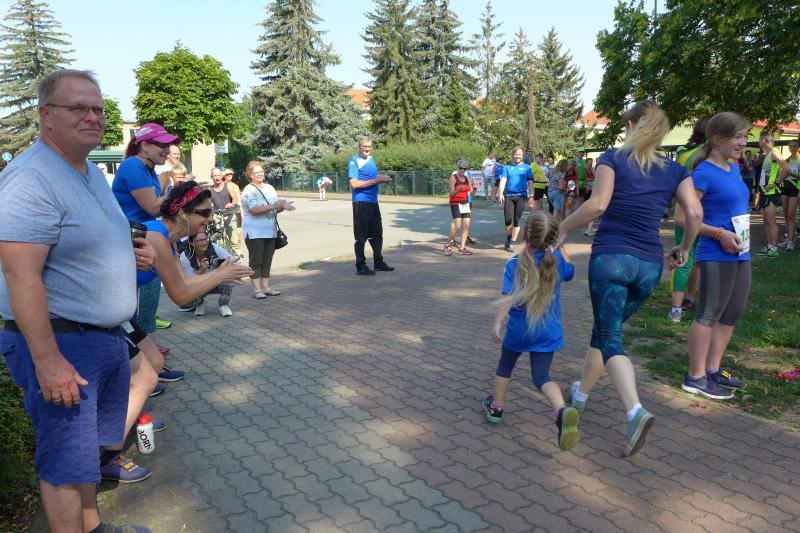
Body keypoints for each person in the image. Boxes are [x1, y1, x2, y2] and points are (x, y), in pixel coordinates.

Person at [0, 69, 153, 533]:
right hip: (63, 342)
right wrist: (48, 361)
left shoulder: (86, 170)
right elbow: (20, 275)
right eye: (78, 108)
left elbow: (80, 243)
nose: (93, 117)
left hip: (100, 337)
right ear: (46, 115)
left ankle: (92, 527)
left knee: (85, 456)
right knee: (66, 462)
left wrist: (129, 254)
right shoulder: (32, 178)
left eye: (98, 108)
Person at [558, 100, 702, 457]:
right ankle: (580, 395)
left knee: (610, 337)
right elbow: (695, 212)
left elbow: (598, 204)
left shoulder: (613, 158)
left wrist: (562, 228)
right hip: (649, 266)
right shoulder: (675, 169)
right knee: (605, 332)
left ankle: (634, 411)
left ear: (632, 125)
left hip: (612, 259)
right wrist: (684, 247)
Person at [483, 211, 579, 451]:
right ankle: (561, 411)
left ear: (526, 234)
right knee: (542, 376)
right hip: (548, 331)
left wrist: (497, 323)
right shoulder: (556, 260)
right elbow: (571, 271)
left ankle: (496, 407)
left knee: (505, 366)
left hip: (519, 331)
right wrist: (561, 246)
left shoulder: (514, 263)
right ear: (553, 238)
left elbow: (506, 299)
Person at [679, 112, 752, 400]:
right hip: (716, 253)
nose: (743, 142)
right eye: (738, 137)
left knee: (733, 311)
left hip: (740, 251)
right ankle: (695, 377)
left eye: (745, 136)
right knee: (709, 313)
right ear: (717, 139)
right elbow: (683, 217)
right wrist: (719, 234)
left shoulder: (733, 168)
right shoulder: (702, 174)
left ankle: (712, 369)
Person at [113, 123, 182, 364]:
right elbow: (152, 207)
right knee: (135, 311)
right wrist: (179, 194)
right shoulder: (133, 165)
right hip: (131, 245)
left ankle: (151, 361)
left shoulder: (148, 168)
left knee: (148, 306)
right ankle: (144, 366)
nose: (167, 149)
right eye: (161, 144)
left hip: (145, 241)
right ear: (144, 146)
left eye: (168, 145)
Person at [668, 118, 708, 322]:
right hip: (708, 214)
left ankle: (678, 307)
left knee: (684, 256)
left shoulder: (684, 155)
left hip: (683, 210)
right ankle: (690, 298)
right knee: (698, 259)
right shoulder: (717, 156)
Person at [241, 161, 296, 296]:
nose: (259, 174)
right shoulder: (248, 190)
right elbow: (254, 210)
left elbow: (274, 209)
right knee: (256, 261)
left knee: (267, 260)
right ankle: (257, 290)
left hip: (270, 231)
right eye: (256, 172)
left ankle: (266, 287)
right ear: (250, 175)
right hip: (255, 232)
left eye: (261, 171)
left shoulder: (270, 188)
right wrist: (274, 206)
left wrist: (282, 206)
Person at [348, 136, 394, 275]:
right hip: (361, 202)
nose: (367, 149)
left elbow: (372, 177)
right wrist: (376, 180)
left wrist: (383, 179)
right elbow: (354, 184)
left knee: (377, 234)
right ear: (359, 147)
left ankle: (378, 262)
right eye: (364, 146)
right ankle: (360, 266)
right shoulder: (354, 161)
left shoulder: (370, 159)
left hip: (373, 202)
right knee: (361, 236)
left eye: (369, 146)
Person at [179, 232, 236, 317]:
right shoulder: (185, 256)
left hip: (217, 282)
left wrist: (221, 265)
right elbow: (189, 281)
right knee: (185, 295)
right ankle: (200, 303)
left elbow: (231, 261)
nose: (204, 242)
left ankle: (224, 305)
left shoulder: (214, 248)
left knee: (229, 278)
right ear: (192, 243)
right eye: (200, 240)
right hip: (199, 285)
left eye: (205, 239)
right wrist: (201, 270)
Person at [755, 131, 791, 257]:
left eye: (760, 140)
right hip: (765, 192)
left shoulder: (775, 152)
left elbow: (787, 168)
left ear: (764, 140)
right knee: (766, 220)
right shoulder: (768, 154)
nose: (759, 142)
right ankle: (770, 246)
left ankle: (773, 249)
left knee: (770, 220)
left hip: (772, 193)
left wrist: (776, 183)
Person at [499, 147, 535, 252]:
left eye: (520, 154)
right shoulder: (507, 168)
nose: (518, 156)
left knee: (516, 220)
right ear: (512, 155)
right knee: (508, 220)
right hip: (509, 196)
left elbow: (530, 183)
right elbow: (503, 181)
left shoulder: (527, 168)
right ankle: (509, 237)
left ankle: (512, 242)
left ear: (522, 156)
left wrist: (532, 196)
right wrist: (500, 193)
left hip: (521, 196)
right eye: (516, 154)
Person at [443, 159, 474, 256]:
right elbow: (451, 194)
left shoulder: (467, 178)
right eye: (460, 168)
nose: (462, 170)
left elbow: (471, 192)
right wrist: (458, 190)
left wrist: (475, 188)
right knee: (457, 226)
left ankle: (461, 248)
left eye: (464, 168)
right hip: (455, 203)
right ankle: (447, 245)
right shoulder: (453, 177)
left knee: (466, 225)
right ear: (458, 168)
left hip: (465, 203)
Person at [209, 167, 240, 255]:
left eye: (218, 175)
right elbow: (209, 203)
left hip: (229, 215)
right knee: (220, 242)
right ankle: (223, 259)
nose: (217, 178)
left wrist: (231, 204)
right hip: (218, 216)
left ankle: (237, 260)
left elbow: (234, 198)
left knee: (233, 242)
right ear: (211, 177)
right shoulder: (210, 189)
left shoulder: (228, 185)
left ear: (222, 176)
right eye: (215, 176)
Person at [778, 140, 799, 251]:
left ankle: (791, 241)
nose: (792, 148)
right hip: (785, 188)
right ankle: (788, 238)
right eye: (790, 146)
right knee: (786, 215)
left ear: (798, 147)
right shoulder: (786, 160)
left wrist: (789, 173)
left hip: (795, 189)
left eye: (795, 146)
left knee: (791, 215)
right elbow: (781, 174)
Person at [222, 168, 243, 252]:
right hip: (227, 212)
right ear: (224, 176)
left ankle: (237, 251)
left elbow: (239, 200)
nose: (229, 175)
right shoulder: (222, 185)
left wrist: (242, 212)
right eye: (227, 174)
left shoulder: (235, 186)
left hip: (236, 211)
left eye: (230, 174)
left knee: (238, 233)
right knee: (227, 234)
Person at [583, 158, 597, 235]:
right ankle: (589, 229)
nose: (590, 163)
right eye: (589, 162)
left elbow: (595, 178)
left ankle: (589, 229)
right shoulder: (584, 170)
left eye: (591, 162)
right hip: (586, 190)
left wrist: (591, 180)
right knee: (587, 208)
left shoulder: (592, 169)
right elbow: (585, 179)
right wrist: (590, 180)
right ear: (586, 163)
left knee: (591, 209)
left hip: (592, 190)